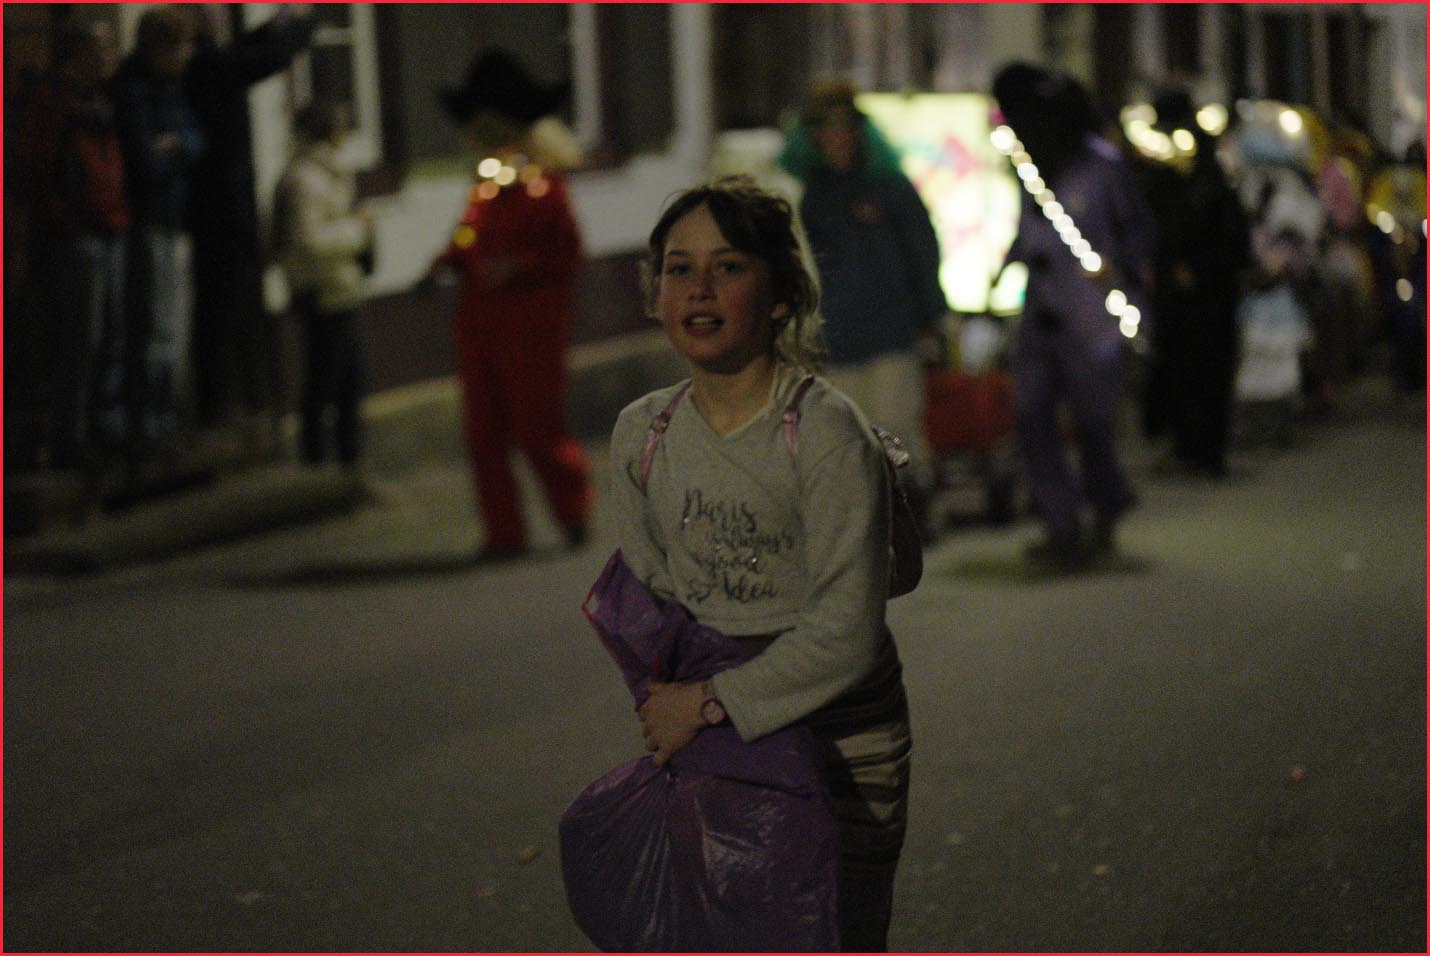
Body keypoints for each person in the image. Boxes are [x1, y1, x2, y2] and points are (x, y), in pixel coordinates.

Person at [612, 176, 913, 951]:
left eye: (729, 267)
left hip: (843, 736)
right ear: (655, 293)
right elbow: (656, 603)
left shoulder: (824, 432)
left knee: (835, 933)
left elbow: (845, 630)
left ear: (780, 295)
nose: (700, 289)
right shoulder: (643, 435)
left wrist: (709, 702)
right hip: (717, 733)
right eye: (679, 269)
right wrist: (680, 707)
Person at [427, 48, 592, 560]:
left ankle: (572, 510)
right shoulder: (484, 190)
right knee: (483, 432)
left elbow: (566, 252)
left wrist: (517, 267)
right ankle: (504, 532)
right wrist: (444, 262)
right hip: (479, 321)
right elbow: (468, 237)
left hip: (532, 322)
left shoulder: (545, 190)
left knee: (537, 425)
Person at [992, 63, 1155, 566]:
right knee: (1031, 415)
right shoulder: (1029, 165)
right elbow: (1029, 229)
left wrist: (1119, 268)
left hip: (1094, 317)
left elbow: (1138, 230)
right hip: (1041, 313)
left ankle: (1105, 506)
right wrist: (1007, 266)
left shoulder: (1103, 166)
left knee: (1093, 422)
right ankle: (1060, 522)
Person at [778, 80, 947, 532]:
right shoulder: (813, 198)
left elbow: (921, 249)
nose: (836, 138)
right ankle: (870, 525)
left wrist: (931, 312)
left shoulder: (889, 188)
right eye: (825, 128)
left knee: (896, 426)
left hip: (892, 328)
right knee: (851, 435)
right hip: (839, 335)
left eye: (844, 127)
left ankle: (913, 514)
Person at [185, 3, 316, 445]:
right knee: (225, 305)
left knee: (227, 302)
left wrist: (273, 26)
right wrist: (300, 25)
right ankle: (227, 405)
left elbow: (244, 51)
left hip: (222, 204)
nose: (221, 18)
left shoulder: (207, 60)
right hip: (221, 206)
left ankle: (238, 403)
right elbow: (259, 60)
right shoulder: (205, 64)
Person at [13, 20, 130, 470]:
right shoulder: (53, 105)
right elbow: (35, 173)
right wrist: (67, 217)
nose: (108, 56)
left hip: (106, 229)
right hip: (76, 237)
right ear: (79, 53)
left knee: (108, 338)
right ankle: (70, 438)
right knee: (79, 342)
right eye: (102, 48)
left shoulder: (96, 102)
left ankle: (102, 429)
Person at [1137, 88, 1252, 478]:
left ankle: (1208, 451)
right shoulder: (1164, 178)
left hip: (1209, 297)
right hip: (1176, 301)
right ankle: (1187, 446)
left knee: (1208, 373)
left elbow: (1232, 243)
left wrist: (1199, 269)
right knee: (1179, 372)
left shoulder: (1210, 183)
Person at [110, 4, 204, 458]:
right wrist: (175, 151)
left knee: (170, 325)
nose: (188, 55)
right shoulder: (134, 91)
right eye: (182, 47)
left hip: (171, 217)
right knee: (156, 326)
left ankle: (163, 419)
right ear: (160, 49)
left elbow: (196, 138)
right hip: (150, 220)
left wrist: (177, 146)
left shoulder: (168, 88)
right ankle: (149, 423)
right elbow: (145, 163)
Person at [273, 101, 372, 467]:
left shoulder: (322, 171)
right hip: (323, 289)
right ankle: (319, 457)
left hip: (337, 286)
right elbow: (308, 241)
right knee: (328, 378)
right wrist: (358, 229)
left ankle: (345, 456)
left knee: (348, 379)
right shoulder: (307, 178)